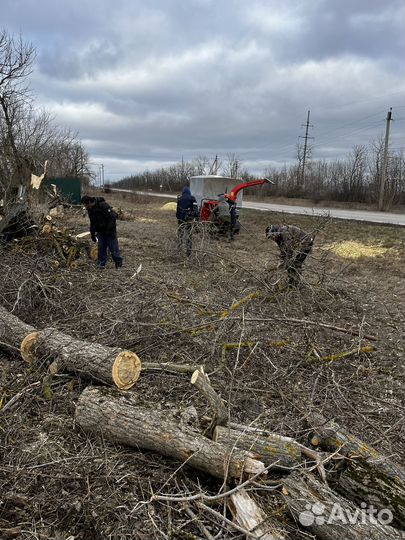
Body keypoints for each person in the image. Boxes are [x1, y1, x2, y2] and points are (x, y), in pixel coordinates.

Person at [81, 195, 123, 269]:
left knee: (113, 249)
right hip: (100, 232)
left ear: (90, 202)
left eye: (86, 205)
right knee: (101, 249)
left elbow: (112, 217)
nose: (86, 207)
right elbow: (92, 222)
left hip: (110, 231)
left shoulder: (102, 205)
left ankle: (118, 262)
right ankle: (101, 264)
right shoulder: (90, 209)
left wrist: (108, 229)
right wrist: (92, 234)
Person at [176, 186, 199, 256]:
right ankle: (188, 252)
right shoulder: (192, 198)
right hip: (189, 220)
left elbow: (177, 211)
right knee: (189, 236)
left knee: (180, 234)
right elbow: (196, 210)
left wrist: (178, 218)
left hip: (180, 220)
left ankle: (179, 249)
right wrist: (196, 218)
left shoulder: (180, 199)